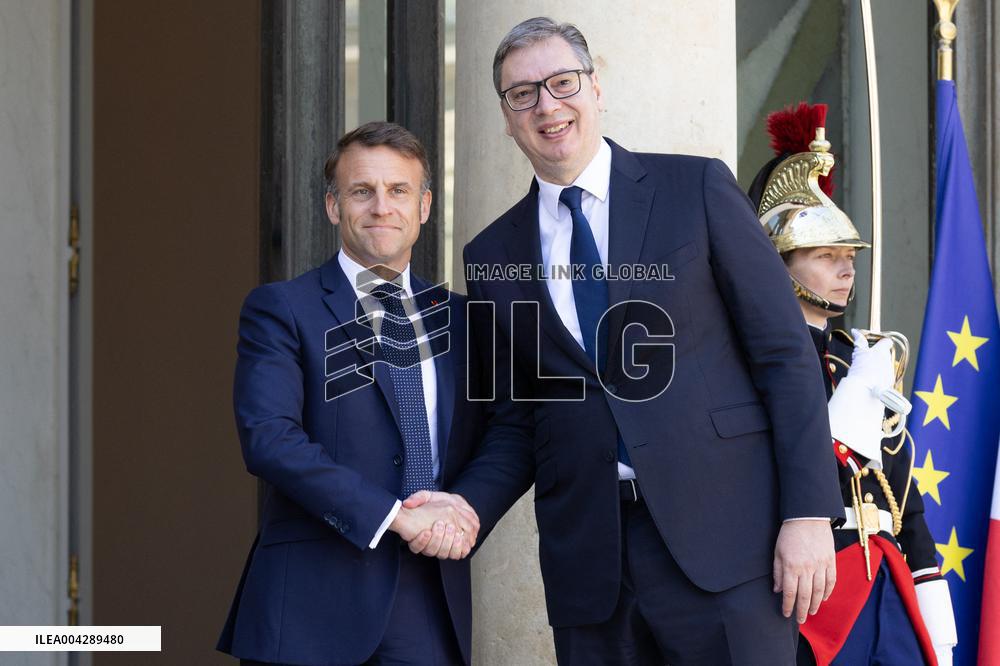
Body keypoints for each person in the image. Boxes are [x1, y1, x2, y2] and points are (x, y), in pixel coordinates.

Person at [418, 16, 844, 665]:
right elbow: (519, 420)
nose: (546, 105)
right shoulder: (493, 255)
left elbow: (785, 353)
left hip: (730, 550)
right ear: (506, 118)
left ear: (595, 89)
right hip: (592, 569)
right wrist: (465, 507)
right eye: (522, 93)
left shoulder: (694, 189)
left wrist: (809, 512)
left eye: (562, 83)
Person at [217, 121, 483, 666]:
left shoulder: (460, 320)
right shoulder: (282, 309)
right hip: (311, 607)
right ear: (334, 207)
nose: (381, 207)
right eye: (362, 191)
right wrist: (392, 514)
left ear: (425, 206)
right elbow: (269, 438)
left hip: (430, 601)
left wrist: (462, 512)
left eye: (398, 191)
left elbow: (507, 434)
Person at [748, 102, 958, 666]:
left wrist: (927, 585)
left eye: (849, 257)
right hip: (815, 589)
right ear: (780, 264)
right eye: (825, 256)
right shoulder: (752, 363)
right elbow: (803, 460)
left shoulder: (860, 357)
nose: (846, 271)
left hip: (886, 578)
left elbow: (900, 492)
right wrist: (855, 398)